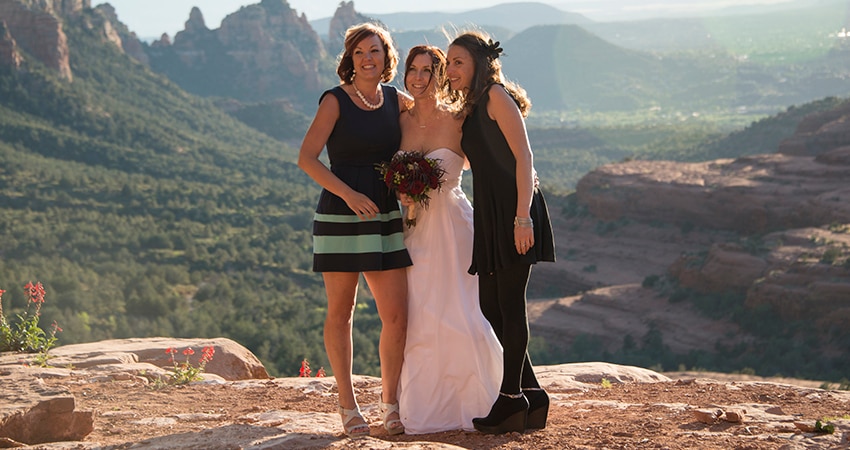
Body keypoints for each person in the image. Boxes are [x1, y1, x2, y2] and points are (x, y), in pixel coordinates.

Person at [297, 23, 410, 437]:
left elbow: (435, 117)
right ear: (350, 58)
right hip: (342, 214)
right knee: (341, 311)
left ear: (386, 56)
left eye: (375, 51)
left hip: (384, 213)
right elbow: (307, 158)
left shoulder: (398, 100)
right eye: (360, 51)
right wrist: (348, 195)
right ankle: (347, 405)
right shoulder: (335, 100)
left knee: (397, 315)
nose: (368, 58)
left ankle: (391, 406)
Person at [445, 30, 556, 434]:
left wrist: (523, 217)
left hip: (515, 211)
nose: (450, 69)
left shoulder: (495, 95)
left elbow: (524, 155)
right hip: (491, 214)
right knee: (491, 306)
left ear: (478, 62)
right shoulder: (472, 106)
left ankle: (510, 400)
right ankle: (532, 392)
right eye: (448, 63)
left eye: (458, 61)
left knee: (509, 303)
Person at [395, 45, 503, 434]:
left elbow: (497, 157)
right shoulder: (399, 118)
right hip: (412, 230)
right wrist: (400, 192)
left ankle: (480, 400)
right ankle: (423, 406)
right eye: (413, 69)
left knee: (462, 311)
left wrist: (525, 195)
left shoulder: (461, 118)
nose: (419, 77)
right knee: (420, 314)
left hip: (455, 228)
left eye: (428, 70)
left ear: (440, 76)